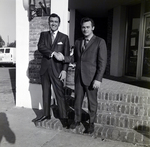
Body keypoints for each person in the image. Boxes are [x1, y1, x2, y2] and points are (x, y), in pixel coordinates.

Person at [54, 17, 107, 133]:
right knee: (77, 100)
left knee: (92, 102)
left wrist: (98, 79)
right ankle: (76, 120)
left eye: (88, 27)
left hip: (92, 78)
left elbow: (102, 63)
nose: (85, 29)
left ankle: (91, 123)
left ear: (93, 28)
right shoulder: (78, 42)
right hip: (78, 77)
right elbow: (74, 58)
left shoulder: (100, 42)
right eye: (83, 27)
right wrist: (64, 58)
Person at [36, 13, 70, 128]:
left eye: (56, 21)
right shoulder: (43, 35)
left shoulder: (64, 37)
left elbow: (66, 56)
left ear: (59, 24)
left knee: (60, 94)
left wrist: (64, 70)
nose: (53, 23)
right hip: (45, 70)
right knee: (46, 93)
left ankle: (64, 117)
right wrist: (53, 53)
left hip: (58, 71)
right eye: (52, 21)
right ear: (49, 23)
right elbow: (41, 47)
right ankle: (46, 114)